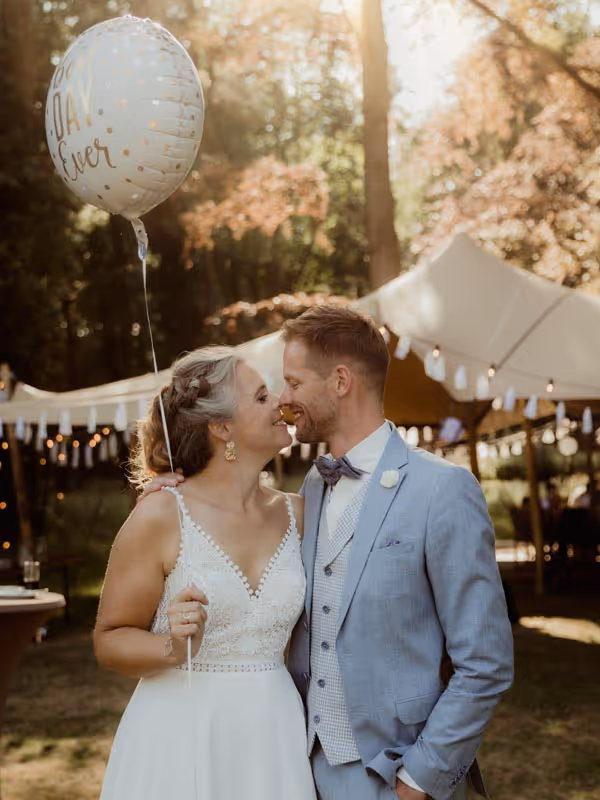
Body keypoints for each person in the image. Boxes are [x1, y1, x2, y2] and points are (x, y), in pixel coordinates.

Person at [142, 306, 514, 800]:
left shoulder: (443, 489)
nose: (284, 400)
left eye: (293, 382)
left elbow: (485, 662)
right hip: (296, 769)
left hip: (396, 776)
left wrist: (419, 780)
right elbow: (235, 514)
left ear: (340, 381)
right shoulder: (313, 488)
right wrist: (186, 488)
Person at [94, 347, 317, 800]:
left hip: (275, 736)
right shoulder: (160, 515)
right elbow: (109, 639)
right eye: (259, 397)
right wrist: (173, 647)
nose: (279, 402)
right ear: (221, 427)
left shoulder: (303, 514)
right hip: (180, 737)